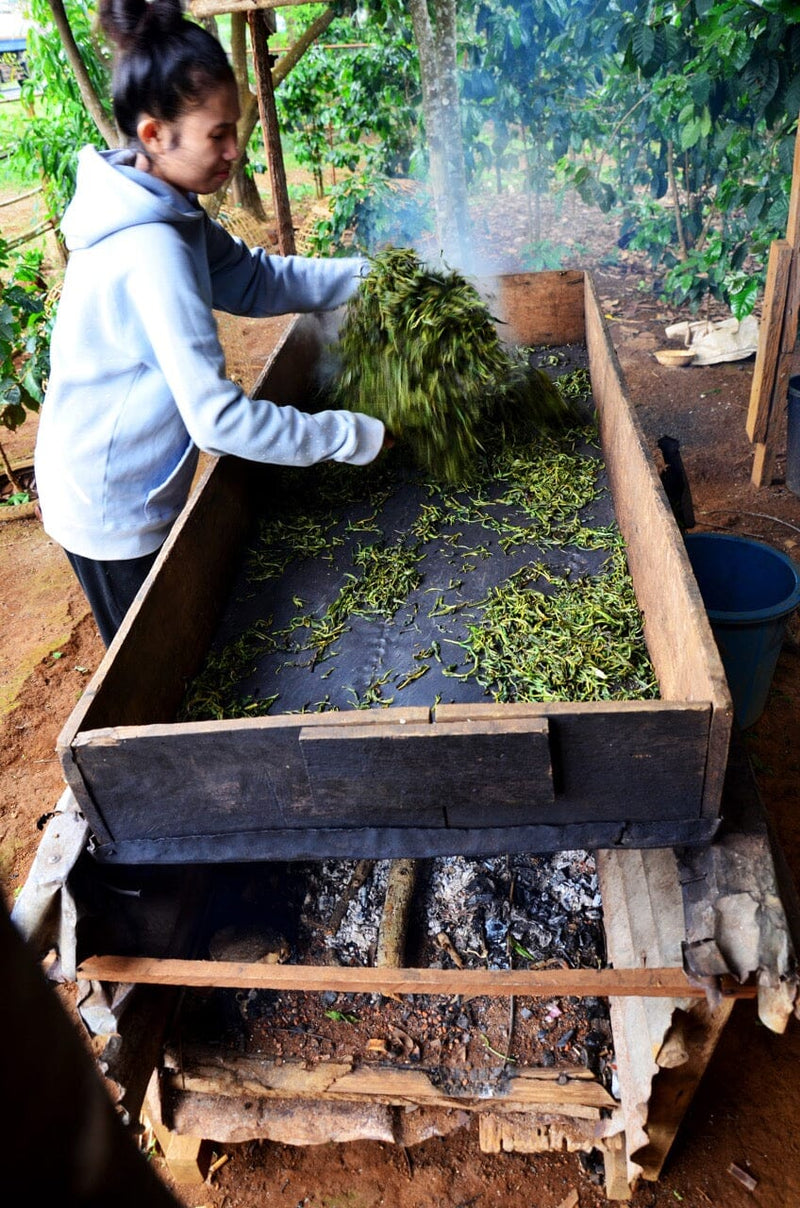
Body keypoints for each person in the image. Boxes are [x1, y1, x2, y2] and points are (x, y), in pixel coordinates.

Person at [34, 0, 387, 647]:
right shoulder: (152, 250)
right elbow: (219, 420)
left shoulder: (168, 205)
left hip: (128, 474)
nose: (235, 149)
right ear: (153, 135)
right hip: (110, 501)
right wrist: (352, 436)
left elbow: (258, 279)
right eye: (217, 136)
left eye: (235, 129)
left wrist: (371, 277)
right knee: (156, 665)